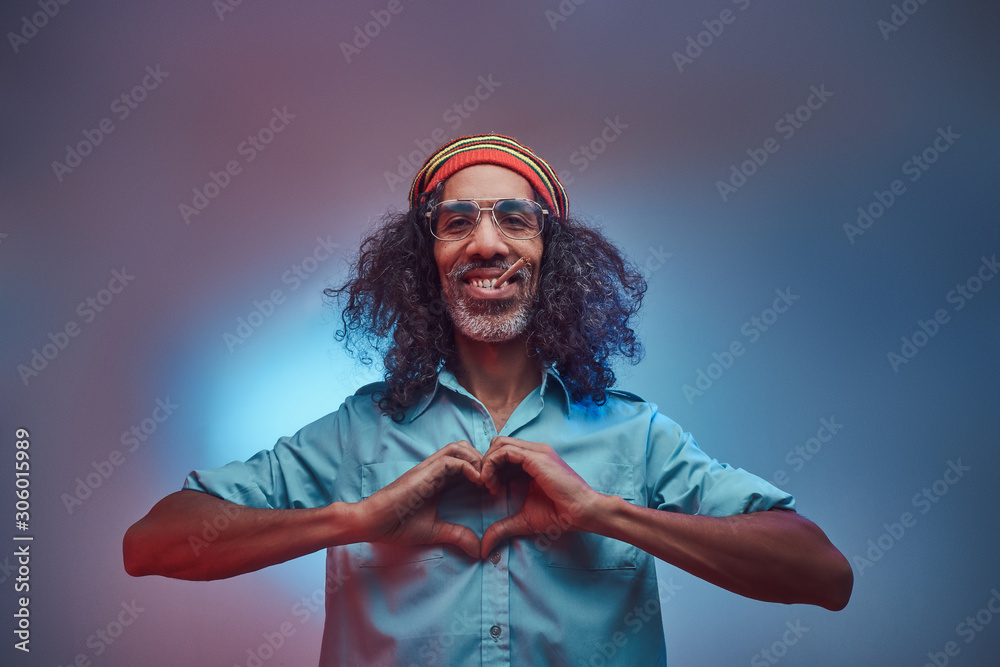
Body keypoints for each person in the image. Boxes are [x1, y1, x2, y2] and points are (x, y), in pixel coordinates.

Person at [124, 134, 852, 665]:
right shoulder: (357, 432)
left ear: (553, 255)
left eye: (514, 218)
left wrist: (606, 513)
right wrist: (358, 517)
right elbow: (151, 544)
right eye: (455, 221)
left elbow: (823, 574)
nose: (485, 243)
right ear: (424, 261)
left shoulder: (635, 434)